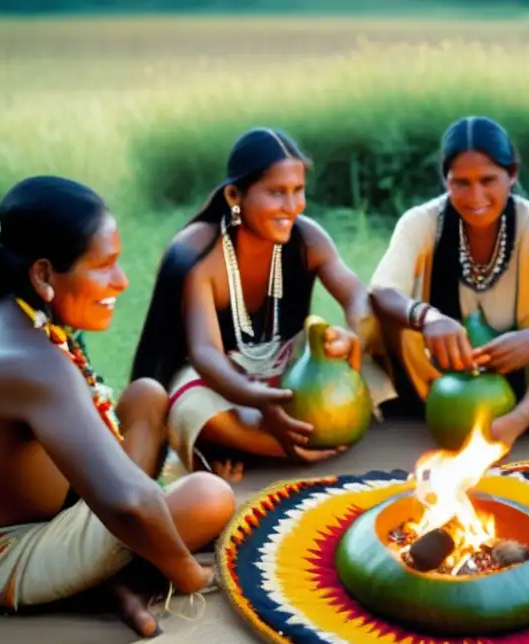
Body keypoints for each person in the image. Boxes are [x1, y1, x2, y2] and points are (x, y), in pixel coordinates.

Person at [0, 176, 232, 637]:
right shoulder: (28, 360)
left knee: (146, 397)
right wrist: (191, 576)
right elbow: (131, 505)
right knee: (209, 497)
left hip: (50, 514)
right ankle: (130, 581)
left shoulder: (23, 316)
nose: (121, 281)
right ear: (42, 275)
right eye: (104, 266)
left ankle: (122, 576)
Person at [131, 128, 391, 481]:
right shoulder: (199, 253)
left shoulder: (307, 238)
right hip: (220, 383)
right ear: (235, 195)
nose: (292, 206)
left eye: (298, 191)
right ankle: (281, 445)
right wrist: (255, 398)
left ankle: (274, 442)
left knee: (385, 360)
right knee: (192, 408)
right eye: (276, 193)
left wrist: (353, 335)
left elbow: (357, 296)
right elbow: (206, 353)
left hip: (288, 371)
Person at [367, 116, 529, 448]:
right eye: (461, 183)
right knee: (382, 317)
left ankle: (527, 412)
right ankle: (433, 404)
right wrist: (428, 318)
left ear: (512, 174)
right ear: (445, 180)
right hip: (445, 371)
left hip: (525, 367)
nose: (476, 196)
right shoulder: (422, 222)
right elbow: (381, 289)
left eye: (488, 180)